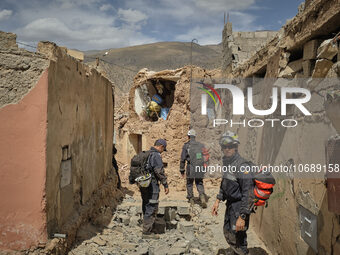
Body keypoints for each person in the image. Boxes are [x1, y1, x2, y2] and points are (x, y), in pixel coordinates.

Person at [211, 131, 254, 255]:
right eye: (224, 146)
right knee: (228, 231)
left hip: (239, 206)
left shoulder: (242, 165)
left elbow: (248, 193)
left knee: (239, 237)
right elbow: (225, 183)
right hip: (230, 205)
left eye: (230, 146)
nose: (227, 149)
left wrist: (243, 216)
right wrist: (217, 200)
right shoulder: (228, 163)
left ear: (236, 147)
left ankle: (242, 253)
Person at [140, 139, 169, 239]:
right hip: (152, 184)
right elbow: (159, 171)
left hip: (144, 184)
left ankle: (147, 226)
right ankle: (147, 232)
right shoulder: (156, 155)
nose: (162, 151)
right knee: (152, 205)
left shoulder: (147, 154)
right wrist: (165, 184)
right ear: (161, 146)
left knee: (146, 203)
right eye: (163, 149)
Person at [180, 129, 209, 208]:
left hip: (190, 167)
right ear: (195, 136)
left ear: (188, 136)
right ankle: (202, 197)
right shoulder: (200, 145)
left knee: (189, 183)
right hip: (200, 166)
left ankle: (191, 199)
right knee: (199, 182)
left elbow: (183, 159)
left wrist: (182, 170)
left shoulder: (186, 146)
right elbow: (206, 156)